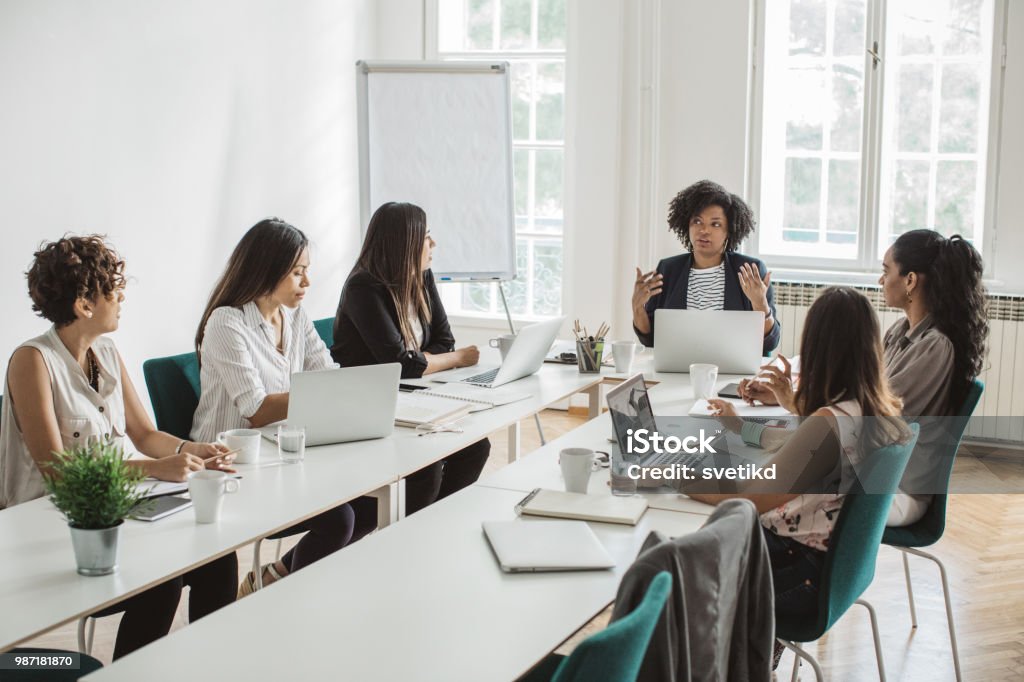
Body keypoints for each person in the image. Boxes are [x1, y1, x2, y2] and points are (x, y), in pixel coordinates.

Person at [0, 235, 237, 659]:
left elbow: (145, 435)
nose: (121, 298)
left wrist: (191, 448)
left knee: (217, 559)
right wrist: (154, 469)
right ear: (84, 305)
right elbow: (59, 472)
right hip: (53, 525)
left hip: (113, 508)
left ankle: (213, 664)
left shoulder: (105, 351)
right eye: (113, 291)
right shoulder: (31, 362)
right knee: (159, 584)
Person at [687, 288, 907, 628]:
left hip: (794, 575)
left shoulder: (831, 422)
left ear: (816, 348)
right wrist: (743, 429)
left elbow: (747, 499)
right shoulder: (875, 411)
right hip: (828, 569)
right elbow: (798, 449)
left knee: (670, 559)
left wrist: (667, 478)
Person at [740, 230, 988, 526]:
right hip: (870, 464)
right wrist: (787, 396)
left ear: (910, 280)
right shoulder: (900, 332)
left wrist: (796, 400)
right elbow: (859, 399)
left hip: (895, 487)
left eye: (886, 271)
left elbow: (868, 417)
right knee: (768, 460)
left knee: (766, 480)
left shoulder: (935, 346)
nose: (881, 281)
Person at [193, 218, 355, 597]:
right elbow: (256, 409)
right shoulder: (226, 322)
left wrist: (341, 388)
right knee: (341, 518)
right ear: (267, 270)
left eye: (307, 271)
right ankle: (284, 599)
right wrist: (326, 391)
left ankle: (274, 581)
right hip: (231, 464)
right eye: (297, 273)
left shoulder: (295, 317)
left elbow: (327, 373)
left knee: (363, 505)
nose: (306, 283)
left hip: (282, 455)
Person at [331, 202, 490, 537]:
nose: (433, 246)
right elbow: (403, 364)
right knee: (426, 468)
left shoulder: (422, 276)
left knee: (477, 447)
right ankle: (407, 543)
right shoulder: (363, 287)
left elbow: (443, 339)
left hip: (413, 397)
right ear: (404, 244)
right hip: (370, 407)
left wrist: (426, 362)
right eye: (427, 238)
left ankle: (430, 532)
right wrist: (455, 360)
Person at [632, 179, 781, 355]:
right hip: (679, 367)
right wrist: (637, 308)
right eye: (697, 221)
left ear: (728, 232)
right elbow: (650, 339)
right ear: (687, 225)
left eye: (715, 224)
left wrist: (760, 304)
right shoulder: (668, 270)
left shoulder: (750, 270)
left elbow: (770, 343)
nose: (704, 230)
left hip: (733, 371)